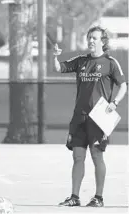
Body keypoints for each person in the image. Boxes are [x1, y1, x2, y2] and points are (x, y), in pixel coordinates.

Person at [53, 26, 127, 207]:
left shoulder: (110, 62)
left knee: (96, 156)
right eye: (89, 38)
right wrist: (55, 56)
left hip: (100, 117)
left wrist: (115, 102)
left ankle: (98, 198)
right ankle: (74, 197)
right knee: (78, 157)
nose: (91, 41)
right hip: (79, 117)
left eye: (94, 38)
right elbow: (59, 68)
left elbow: (123, 86)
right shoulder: (81, 61)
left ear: (103, 41)